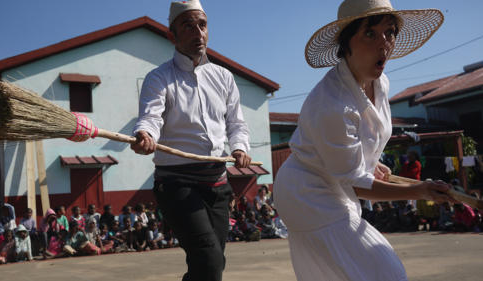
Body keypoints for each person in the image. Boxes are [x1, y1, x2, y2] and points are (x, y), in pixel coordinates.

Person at [273, 1, 451, 280]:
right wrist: (420, 190)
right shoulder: (333, 104)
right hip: (307, 194)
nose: (384, 44)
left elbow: (358, 153)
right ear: (346, 44)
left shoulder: (382, 84)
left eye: (390, 32)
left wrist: (371, 162)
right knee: (386, 271)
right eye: (370, 33)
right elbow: (357, 183)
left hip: (334, 188)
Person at [130, 1, 251, 280]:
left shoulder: (224, 77)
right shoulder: (158, 78)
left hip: (218, 183)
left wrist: (240, 147)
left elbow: (236, 123)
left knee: (211, 263)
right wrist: (146, 135)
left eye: (202, 25)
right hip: (177, 183)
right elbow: (151, 117)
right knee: (208, 259)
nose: (198, 32)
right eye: (188, 26)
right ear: (172, 36)